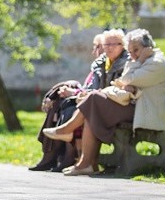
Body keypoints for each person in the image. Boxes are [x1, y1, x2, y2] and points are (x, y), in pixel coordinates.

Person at [42, 29, 165, 176]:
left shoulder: (156, 62)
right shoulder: (143, 62)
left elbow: (125, 79)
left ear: (148, 47)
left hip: (145, 112)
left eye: (136, 50)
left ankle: (68, 132)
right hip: (134, 106)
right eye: (130, 52)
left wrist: (130, 75)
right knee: (93, 107)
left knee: (93, 99)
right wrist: (128, 80)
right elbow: (124, 81)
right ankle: (86, 164)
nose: (133, 56)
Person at [30, 32, 109, 172]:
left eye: (97, 46)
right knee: (60, 101)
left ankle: (66, 155)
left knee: (70, 105)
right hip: (87, 101)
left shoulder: (105, 67)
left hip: (96, 105)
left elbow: (98, 91)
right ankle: (49, 155)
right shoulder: (97, 67)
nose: (94, 51)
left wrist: (74, 93)